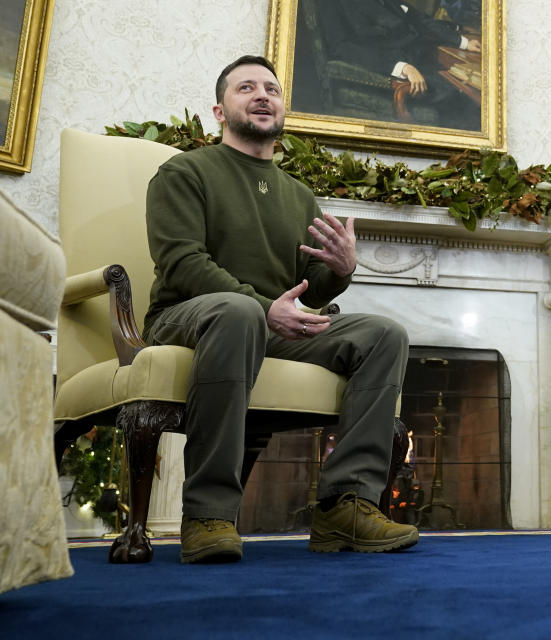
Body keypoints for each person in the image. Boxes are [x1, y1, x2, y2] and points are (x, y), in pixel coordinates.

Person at [143, 55, 418, 563]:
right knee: (237, 313)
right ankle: (208, 514)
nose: (262, 95)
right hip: (187, 320)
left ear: (283, 109)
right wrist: (264, 308)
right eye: (245, 87)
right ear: (220, 111)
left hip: (262, 324)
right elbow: (181, 263)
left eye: (271, 88)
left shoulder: (298, 196)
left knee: (383, 334)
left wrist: (340, 269)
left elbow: (303, 294)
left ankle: (344, 506)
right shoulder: (184, 172)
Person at [309, 0, 481, 129]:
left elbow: (417, 18)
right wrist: (401, 67)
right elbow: (343, 48)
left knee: (470, 86)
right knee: (466, 97)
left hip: (421, 58)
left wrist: (462, 42)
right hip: (388, 71)